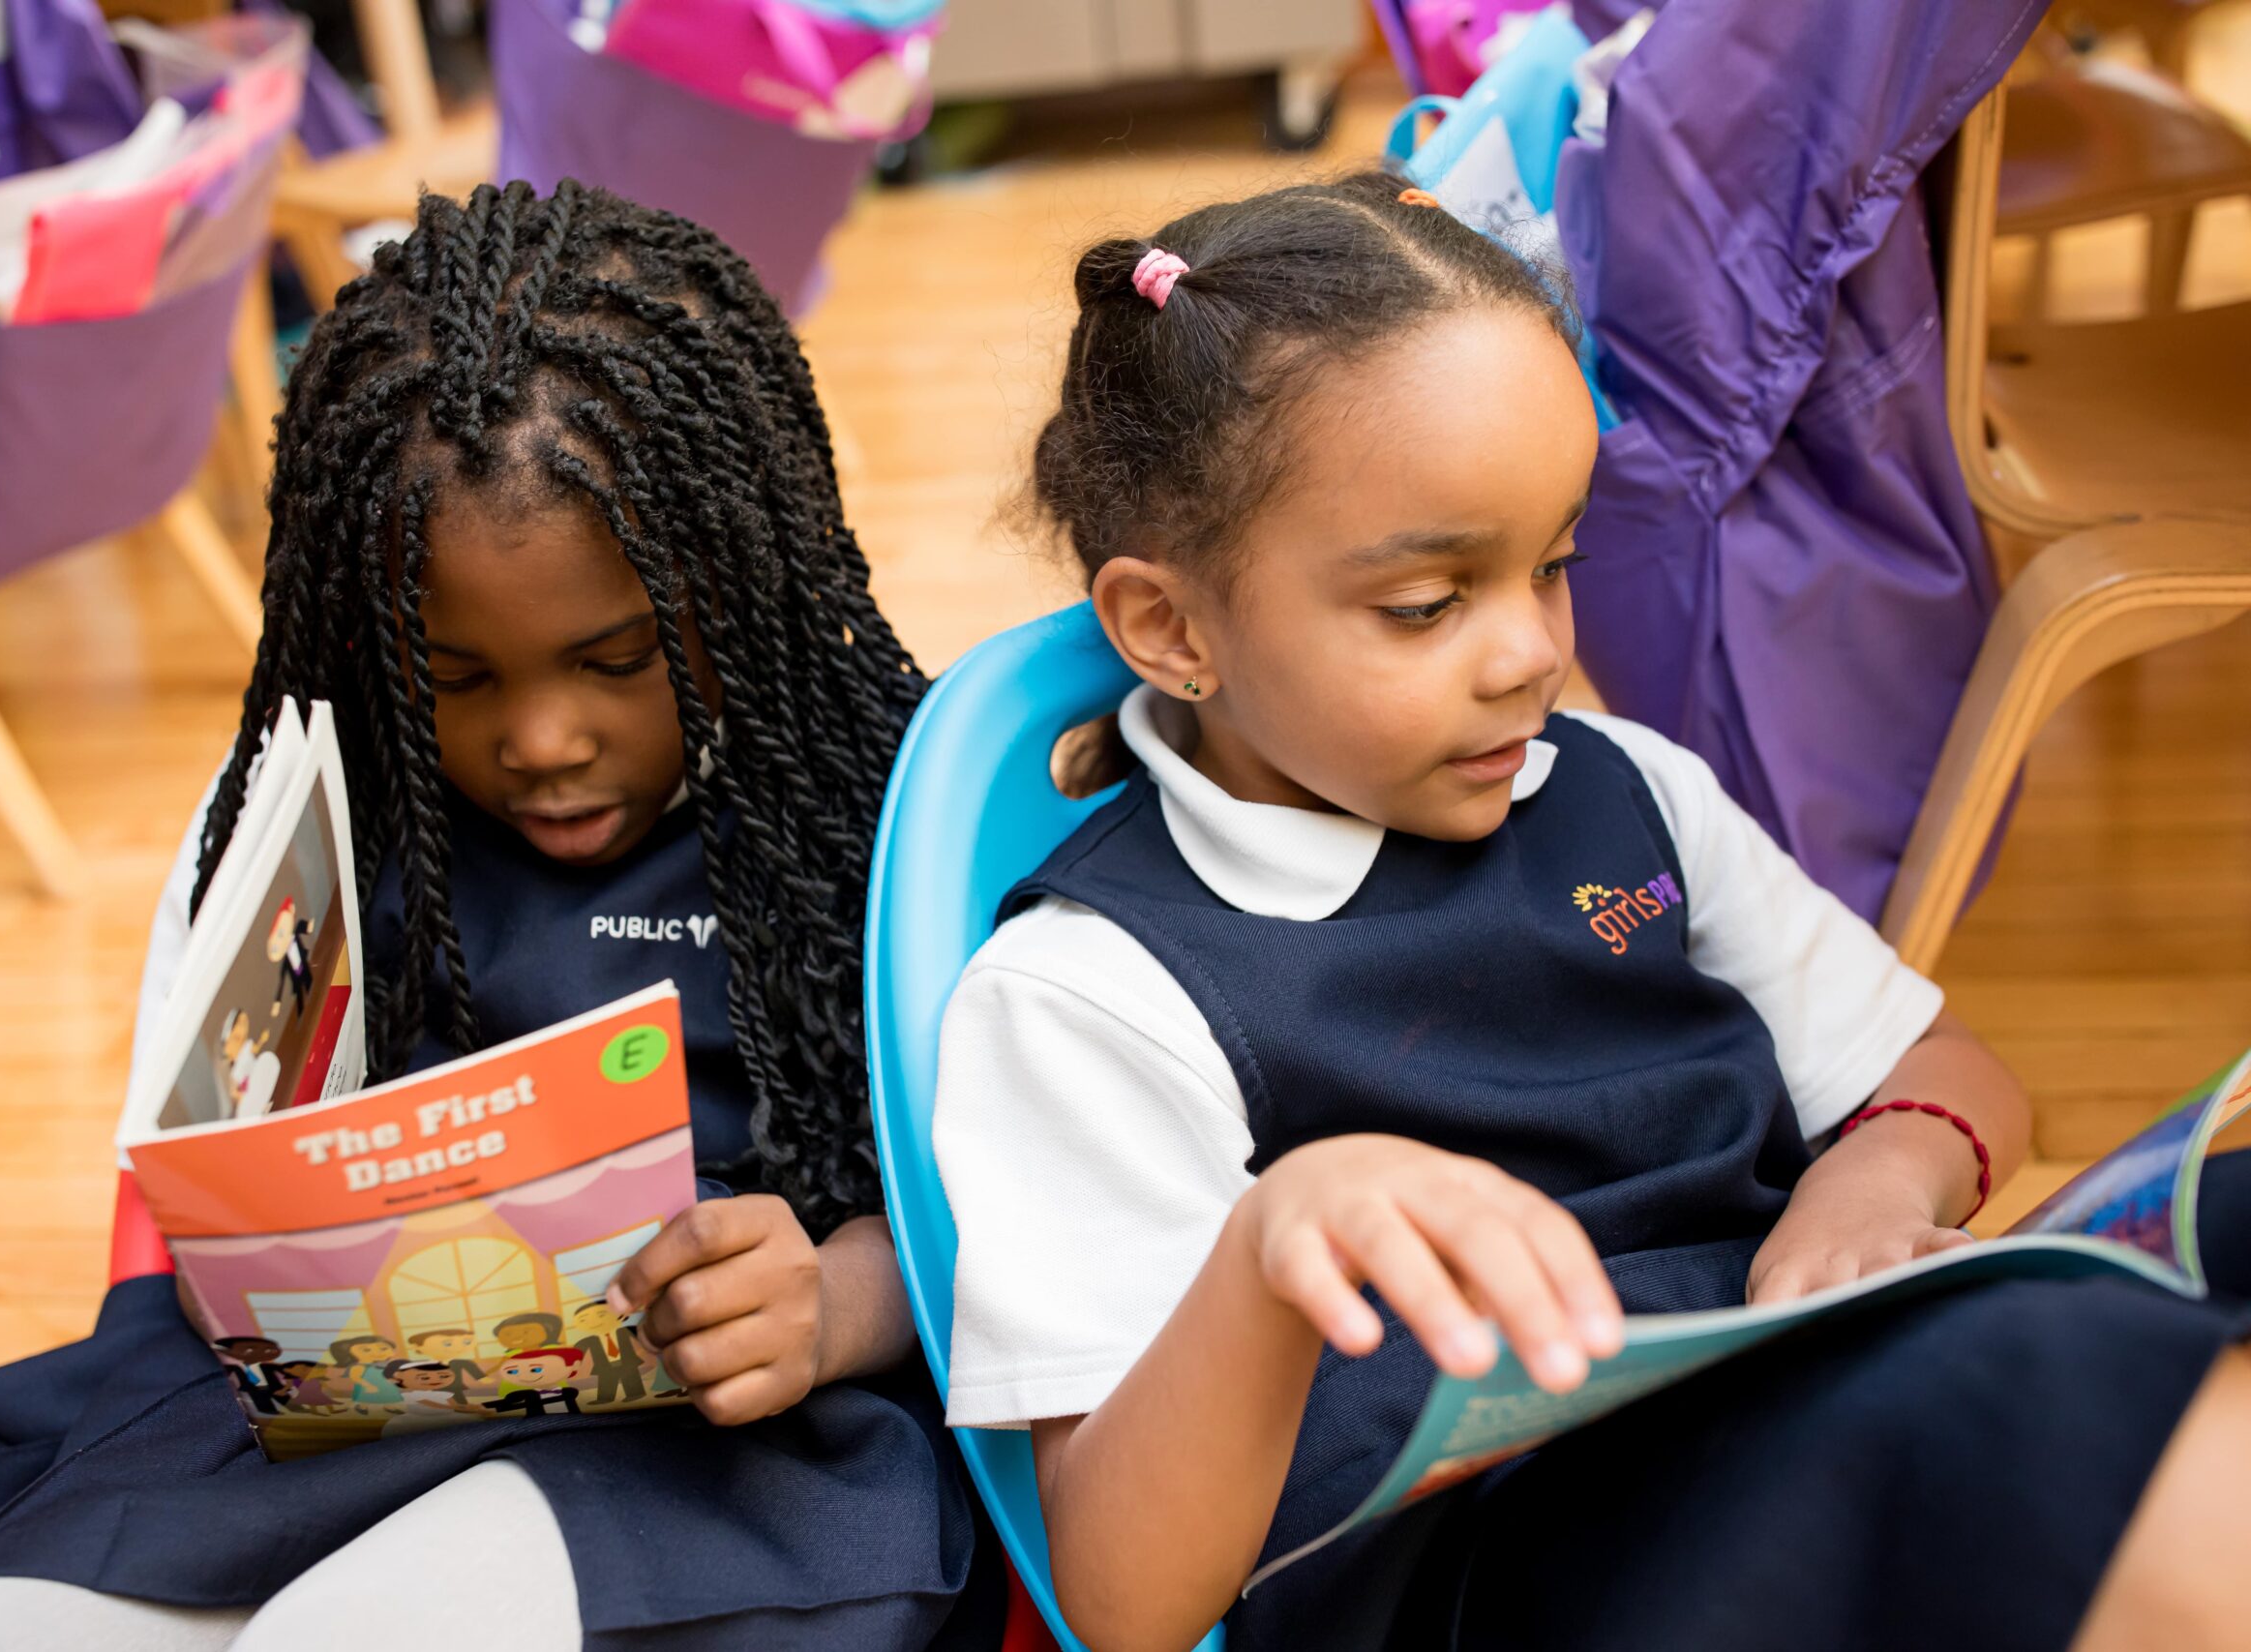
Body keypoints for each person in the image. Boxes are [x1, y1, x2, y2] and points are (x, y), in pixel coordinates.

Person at [931, 169, 2251, 1652]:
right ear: (1171, 628)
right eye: (1429, 604)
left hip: (1787, 1407)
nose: (1528, 656)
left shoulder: (1626, 790)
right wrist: (1272, 1250)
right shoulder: (1088, 996)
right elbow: (1120, 1603)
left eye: (1551, 564)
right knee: (2029, 1381)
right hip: (1500, 1570)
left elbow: (1950, 1077)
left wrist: (1867, 1193)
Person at [0, 181, 996, 1652]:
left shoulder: (888, 816)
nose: (542, 738)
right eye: (458, 678)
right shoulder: (323, 813)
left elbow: (1050, 1223)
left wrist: (839, 1302)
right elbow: (186, 1191)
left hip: (738, 1452)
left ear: (740, 588)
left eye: (616, 660)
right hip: (318, 1426)